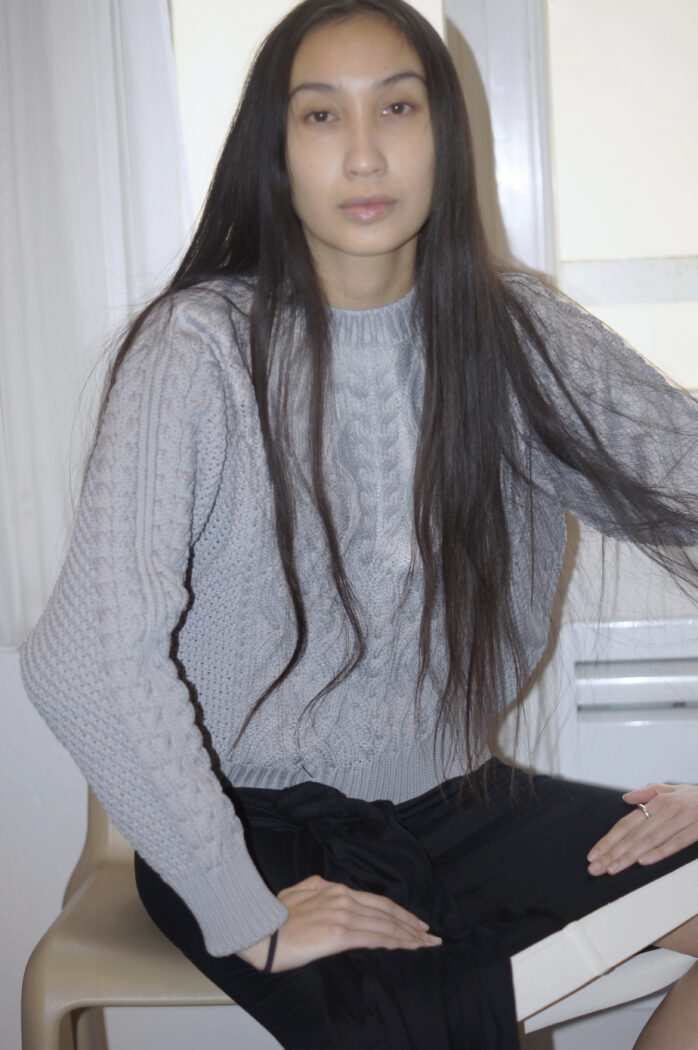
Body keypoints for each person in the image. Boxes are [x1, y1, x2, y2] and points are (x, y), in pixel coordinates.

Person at [20, 0, 698, 1046]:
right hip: (253, 826)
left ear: (445, 137)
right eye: (321, 115)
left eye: (397, 107)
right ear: (275, 151)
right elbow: (88, 655)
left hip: (460, 802)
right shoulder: (200, 348)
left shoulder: (517, 337)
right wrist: (241, 909)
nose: (365, 152)